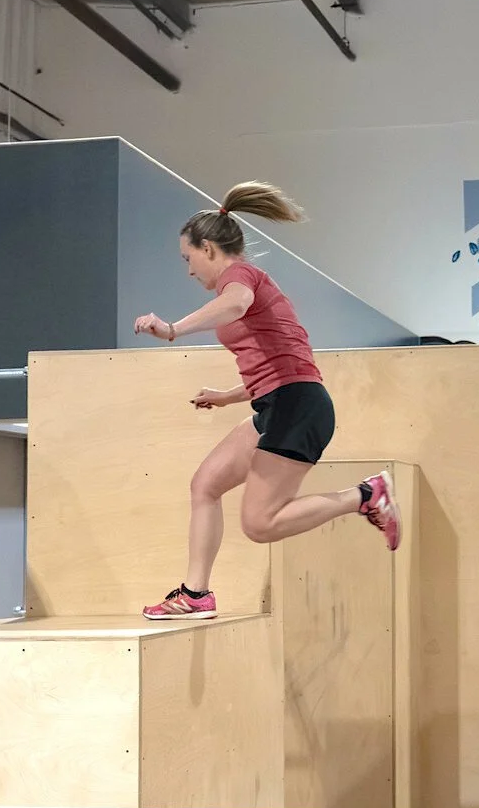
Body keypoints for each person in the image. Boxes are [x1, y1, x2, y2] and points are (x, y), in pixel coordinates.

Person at [132, 182, 398, 619]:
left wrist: (173, 329)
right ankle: (195, 594)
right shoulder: (245, 284)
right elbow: (280, 363)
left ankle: (366, 496)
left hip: (297, 407)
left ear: (208, 249)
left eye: (188, 258)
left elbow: (237, 305)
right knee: (205, 484)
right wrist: (227, 396)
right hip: (282, 402)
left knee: (259, 524)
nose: (189, 271)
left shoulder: (240, 278)